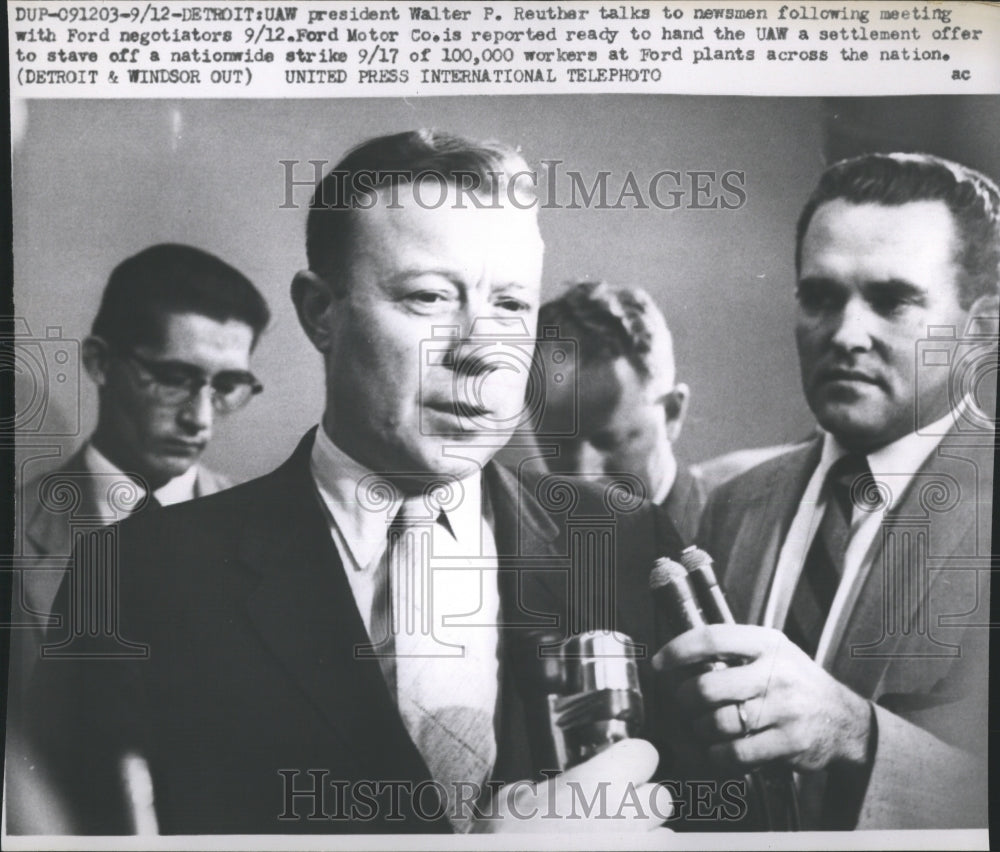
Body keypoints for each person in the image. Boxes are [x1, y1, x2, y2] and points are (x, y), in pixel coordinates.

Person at [27, 131, 682, 835]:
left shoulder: (625, 539)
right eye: (430, 297)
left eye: (511, 307)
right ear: (320, 312)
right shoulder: (136, 577)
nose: (479, 353)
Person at [655, 153, 997, 829]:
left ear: (983, 329)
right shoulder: (734, 505)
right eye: (820, 297)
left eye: (892, 299)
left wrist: (854, 735)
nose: (845, 334)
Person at [535, 282, 704, 541]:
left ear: (672, 413)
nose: (583, 476)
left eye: (609, 441)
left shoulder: (732, 537)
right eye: (559, 444)